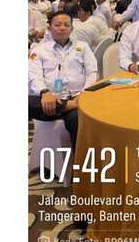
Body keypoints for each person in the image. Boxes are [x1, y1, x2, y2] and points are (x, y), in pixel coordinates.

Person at [28, 11, 98, 150]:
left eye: (66, 25)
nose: (62, 28)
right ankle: (71, 105)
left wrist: (83, 94)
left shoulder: (82, 47)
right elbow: (33, 75)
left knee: (77, 120)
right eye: (57, 24)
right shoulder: (39, 50)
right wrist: (45, 92)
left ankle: (79, 162)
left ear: (72, 28)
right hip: (48, 99)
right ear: (49, 27)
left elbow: (92, 72)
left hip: (77, 96)